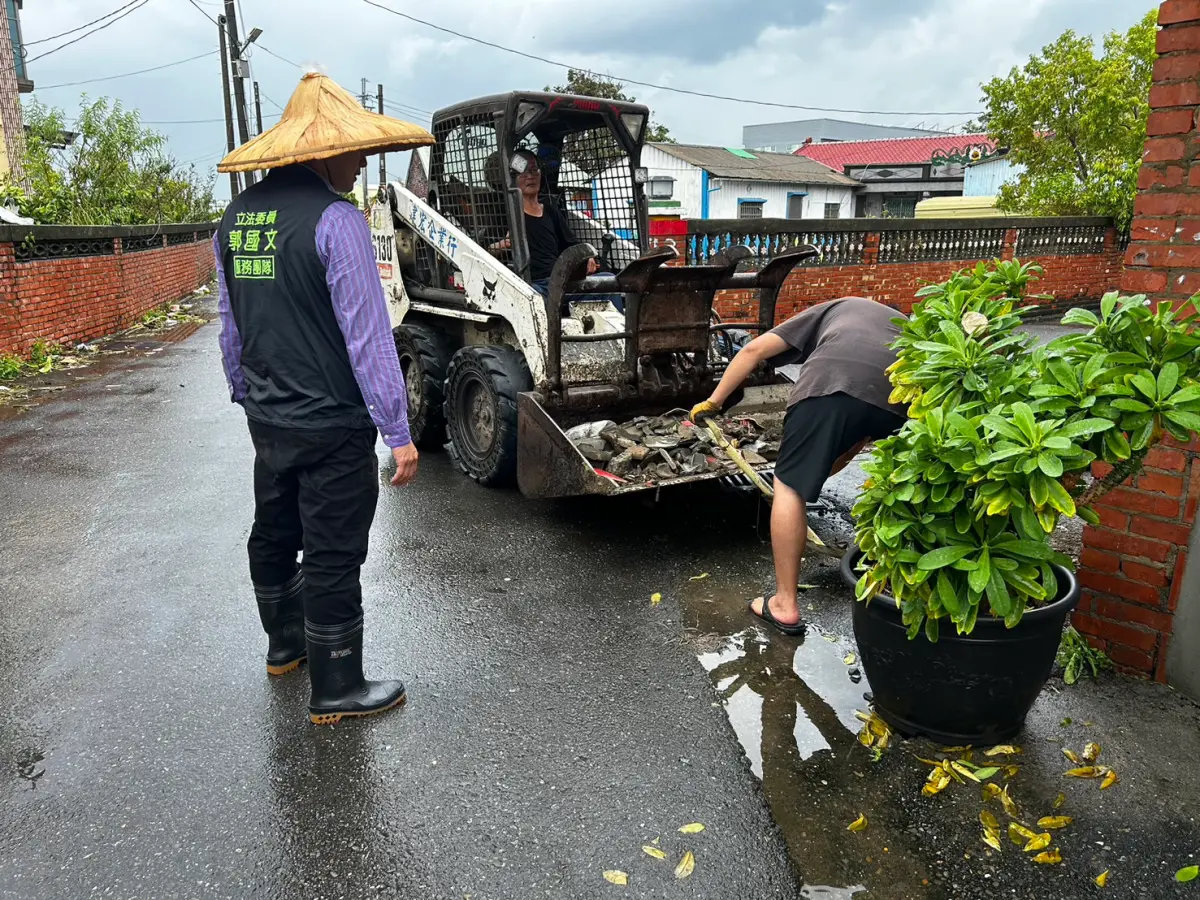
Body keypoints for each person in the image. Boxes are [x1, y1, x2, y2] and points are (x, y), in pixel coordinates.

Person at [214, 72, 434, 725]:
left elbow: (231, 325)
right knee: (333, 550)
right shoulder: (337, 221)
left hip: (269, 416)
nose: (361, 160)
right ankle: (337, 686)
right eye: (353, 149)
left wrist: (246, 393)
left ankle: (285, 646)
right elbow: (368, 337)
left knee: (274, 529)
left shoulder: (236, 218)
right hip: (333, 421)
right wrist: (398, 430)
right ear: (322, 152)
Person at [690, 297, 908, 636]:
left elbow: (753, 350)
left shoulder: (836, 307)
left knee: (787, 488)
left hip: (830, 384)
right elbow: (846, 449)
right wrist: (812, 470)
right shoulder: (903, 328)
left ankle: (784, 605)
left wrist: (713, 401)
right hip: (901, 400)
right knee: (903, 484)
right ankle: (903, 585)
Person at [489, 150, 624, 311]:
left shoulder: (550, 212)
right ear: (512, 178)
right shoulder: (505, 214)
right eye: (523, 171)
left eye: (534, 170)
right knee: (533, 299)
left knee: (609, 281)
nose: (530, 176)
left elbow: (571, 244)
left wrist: (587, 257)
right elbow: (487, 251)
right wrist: (503, 244)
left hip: (559, 281)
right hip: (531, 285)